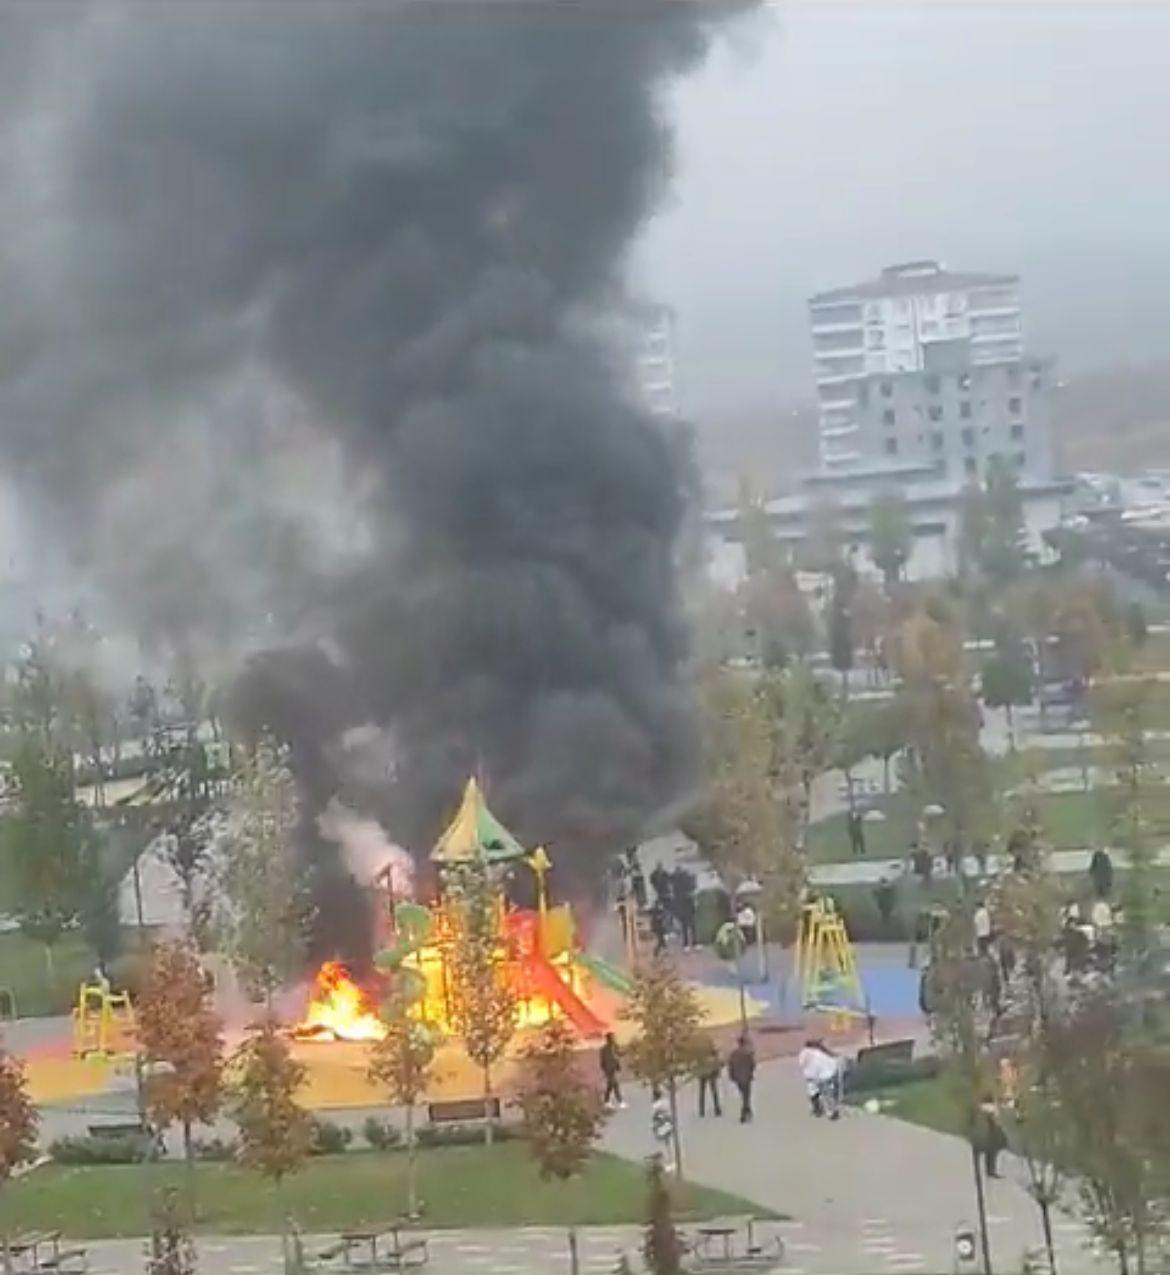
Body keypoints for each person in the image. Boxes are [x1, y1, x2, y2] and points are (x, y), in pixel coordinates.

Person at [798, 1038, 843, 1120]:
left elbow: (802, 1064)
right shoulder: (823, 1053)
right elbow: (833, 1063)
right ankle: (831, 1112)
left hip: (812, 1076)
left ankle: (817, 1109)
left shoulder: (804, 1053)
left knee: (813, 1091)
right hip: (825, 1075)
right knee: (827, 1093)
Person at [975, 1096, 1008, 1178]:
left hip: (991, 1133)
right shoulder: (988, 1109)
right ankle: (990, 1171)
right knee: (992, 1151)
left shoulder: (989, 1109)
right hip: (989, 1134)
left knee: (992, 1151)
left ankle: (990, 1170)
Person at [727, 1034, 756, 1124]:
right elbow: (752, 1064)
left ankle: (747, 1111)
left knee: (744, 1095)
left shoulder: (734, 1054)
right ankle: (745, 1113)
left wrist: (732, 1075)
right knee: (746, 1096)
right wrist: (751, 1073)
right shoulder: (747, 1053)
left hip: (738, 1078)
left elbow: (730, 1065)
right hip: (746, 1077)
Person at [672, 866, 698, 950]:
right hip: (687, 906)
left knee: (686, 926)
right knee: (691, 926)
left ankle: (687, 944)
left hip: (685, 906)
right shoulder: (686, 883)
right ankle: (693, 943)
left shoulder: (677, 883)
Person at [696, 1037, 722, 1118]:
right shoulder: (712, 1052)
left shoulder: (699, 1053)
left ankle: (701, 1110)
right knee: (714, 1091)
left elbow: (697, 1064)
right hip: (711, 1073)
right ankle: (717, 1108)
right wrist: (717, 1072)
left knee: (702, 1092)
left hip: (702, 1073)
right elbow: (716, 1062)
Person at [650, 1089, 675, 1172]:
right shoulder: (666, 1102)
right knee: (669, 1143)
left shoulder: (655, 1105)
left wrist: (653, 1126)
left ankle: (667, 1163)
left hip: (661, 1125)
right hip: (668, 1123)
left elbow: (654, 1116)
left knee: (663, 1145)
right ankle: (672, 1161)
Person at [599, 1032, 624, 1109]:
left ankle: (606, 1101)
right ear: (608, 1039)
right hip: (608, 1070)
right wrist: (605, 1070)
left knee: (610, 1086)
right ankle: (620, 1101)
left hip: (614, 1068)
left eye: (614, 1037)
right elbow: (602, 1061)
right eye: (613, 1038)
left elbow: (619, 1054)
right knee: (615, 1084)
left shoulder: (615, 1047)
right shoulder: (603, 1049)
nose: (614, 1039)